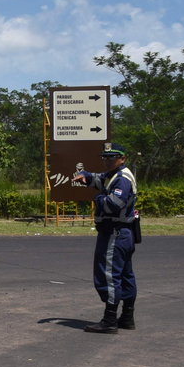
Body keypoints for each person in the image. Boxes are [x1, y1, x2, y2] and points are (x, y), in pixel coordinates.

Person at [73, 142, 138, 333]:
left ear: (122, 158)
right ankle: (127, 317)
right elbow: (97, 179)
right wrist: (85, 176)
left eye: (111, 157)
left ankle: (109, 320)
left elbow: (113, 204)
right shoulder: (113, 176)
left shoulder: (121, 179)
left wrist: (98, 198)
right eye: (104, 157)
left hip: (114, 233)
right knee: (125, 275)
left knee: (108, 276)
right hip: (124, 233)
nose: (106, 161)